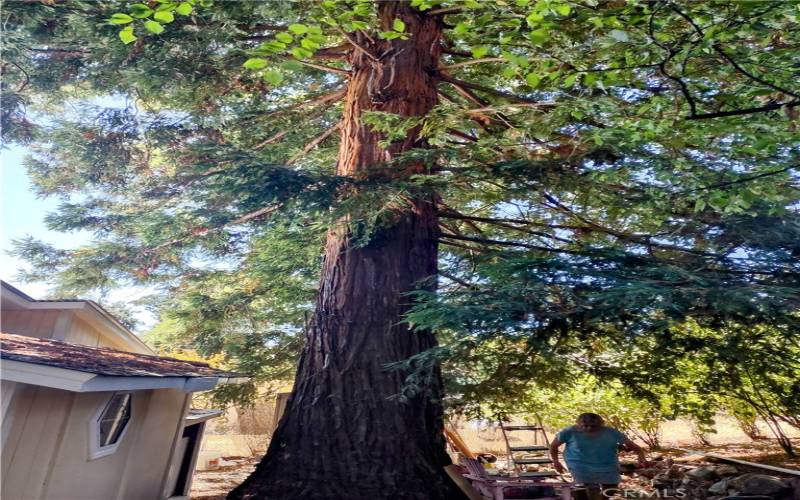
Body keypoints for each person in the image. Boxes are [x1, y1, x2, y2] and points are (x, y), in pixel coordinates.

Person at [549, 413, 648, 499]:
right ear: (578, 424)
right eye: (585, 425)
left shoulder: (611, 432)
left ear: (601, 425)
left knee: (611, 486)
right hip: (579, 463)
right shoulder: (569, 432)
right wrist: (556, 461)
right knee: (588, 487)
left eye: (593, 426)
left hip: (606, 462)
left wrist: (641, 456)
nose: (589, 428)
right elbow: (554, 446)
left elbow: (632, 445)